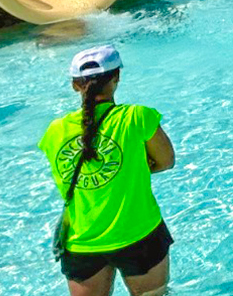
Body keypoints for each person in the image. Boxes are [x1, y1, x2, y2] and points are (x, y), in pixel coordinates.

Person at [40, 45, 176, 296]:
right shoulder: (136, 117)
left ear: (75, 85)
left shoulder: (54, 132)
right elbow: (166, 161)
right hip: (138, 234)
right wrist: (130, 168)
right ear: (116, 78)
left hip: (81, 242)